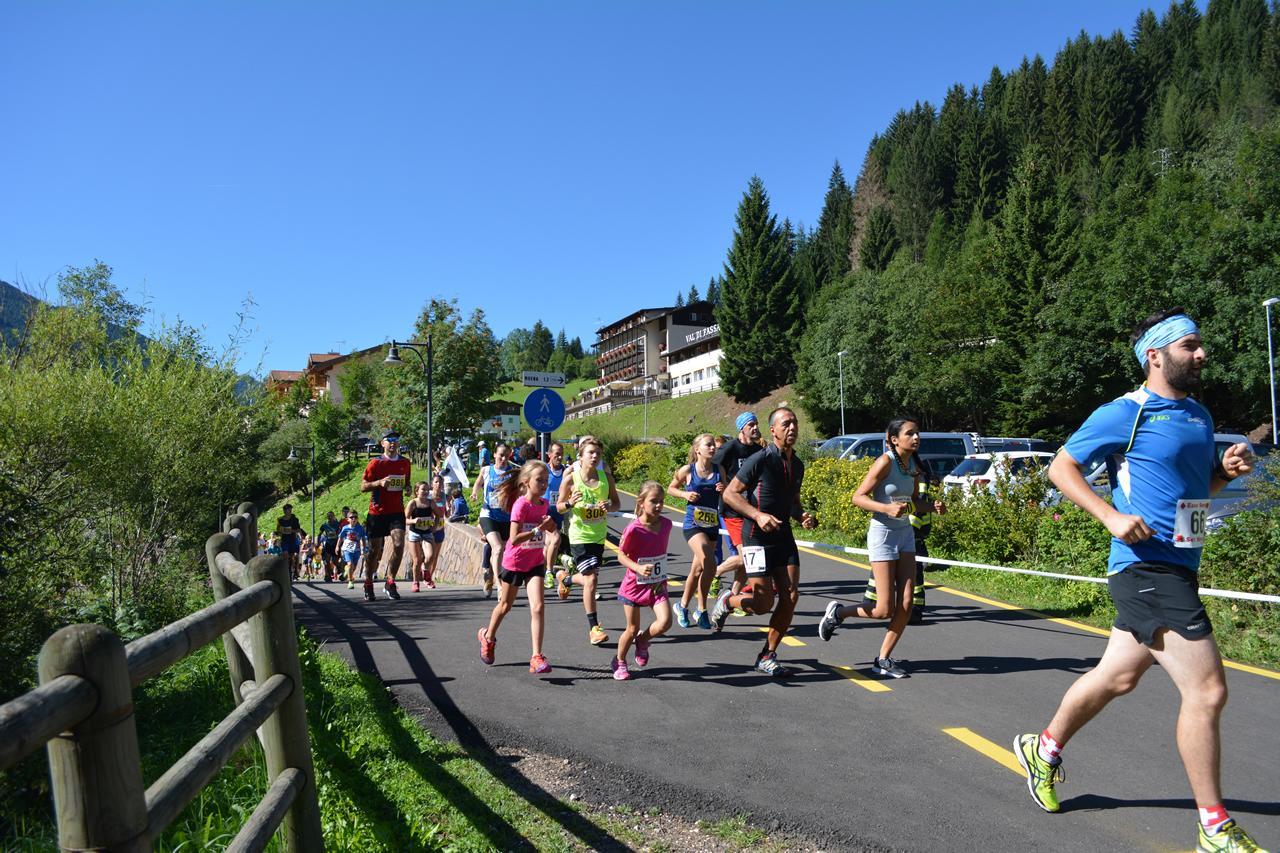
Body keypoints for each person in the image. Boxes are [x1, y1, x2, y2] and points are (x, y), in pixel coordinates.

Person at [1011, 309, 1263, 853]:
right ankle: (1214, 828)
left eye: (1201, 345)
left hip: (1178, 567)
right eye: (1190, 345)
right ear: (1156, 354)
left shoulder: (1198, 415)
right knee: (1208, 690)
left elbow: (1192, 497)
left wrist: (1225, 473)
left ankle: (1043, 747)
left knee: (1117, 677)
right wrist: (1111, 517)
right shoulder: (1126, 412)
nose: (1201, 354)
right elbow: (1061, 467)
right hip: (1143, 567)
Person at [816, 417, 945, 678]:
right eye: (910, 434)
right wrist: (886, 507)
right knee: (883, 609)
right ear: (894, 439)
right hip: (882, 534)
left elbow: (912, 502)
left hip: (905, 534)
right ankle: (838, 613)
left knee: (907, 603)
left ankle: (883, 659)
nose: (916, 438)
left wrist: (932, 507)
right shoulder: (885, 461)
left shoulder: (914, 466)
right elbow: (858, 497)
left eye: (917, 433)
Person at [712, 407, 818, 677]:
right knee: (762, 604)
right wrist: (757, 515)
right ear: (773, 430)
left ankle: (767, 654)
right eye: (786, 424)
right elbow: (731, 495)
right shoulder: (760, 459)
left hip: (783, 536)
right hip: (756, 537)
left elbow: (792, 502)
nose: (792, 427)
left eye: (794, 422)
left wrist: (802, 515)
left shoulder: (798, 465)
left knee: (791, 595)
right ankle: (728, 602)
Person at [478, 460, 556, 674]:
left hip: (534, 562)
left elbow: (549, 527)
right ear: (526, 482)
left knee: (538, 607)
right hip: (514, 562)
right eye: (539, 480)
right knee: (505, 606)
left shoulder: (543, 504)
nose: (543, 485)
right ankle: (488, 637)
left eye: (546, 481)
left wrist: (550, 526)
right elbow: (513, 539)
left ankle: (536, 656)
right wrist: (537, 531)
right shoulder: (521, 505)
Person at [555, 436, 621, 645]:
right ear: (580, 457)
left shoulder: (606, 478)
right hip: (579, 536)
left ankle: (566, 579)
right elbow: (558, 507)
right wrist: (569, 503)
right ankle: (594, 628)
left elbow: (617, 504)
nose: (594, 456)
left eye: (598, 454)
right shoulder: (571, 479)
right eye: (590, 453)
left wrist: (608, 506)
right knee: (591, 580)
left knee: (588, 581)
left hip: (598, 536)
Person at [612, 481, 674, 681]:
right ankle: (619, 661)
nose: (658, 505)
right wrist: (638, 567)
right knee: (630, 629)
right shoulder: (633, 529)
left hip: (657, 583)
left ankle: (643, 640)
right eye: (653, 501)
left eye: (661, 501)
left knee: (665, 622)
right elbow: (621, 555)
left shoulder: (667, 524)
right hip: (634, 586)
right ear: (641, 502)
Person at [667, 433, 721, 629]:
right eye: (709, 445)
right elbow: (670, 488)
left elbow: (730, 492)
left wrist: (723, 488)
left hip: (712, 525)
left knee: (698, 569)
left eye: (714, 445)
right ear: (698, 449)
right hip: (693, 525)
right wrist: (685, 494)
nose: (713, 448)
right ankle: (701, 609)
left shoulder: (718, 470)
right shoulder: (687, 470)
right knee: (710, 563)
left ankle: (682, 606)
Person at [710, 413, 764, 600]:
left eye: (756, 424)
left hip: (751, 510)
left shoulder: (758, 451)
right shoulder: (729, 448)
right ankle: (715, 573)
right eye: (751, 425)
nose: (755, 427)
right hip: (732, 509)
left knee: (747, 559)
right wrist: (721, 483)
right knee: (744, 557)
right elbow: (712, 466)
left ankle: (732, 598)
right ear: (742, 428)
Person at [360, 430, 412, 602]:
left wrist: (408, 489)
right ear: (382, 443)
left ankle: (390, 582)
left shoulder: (405, 463)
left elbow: (406, 483)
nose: (393, 443)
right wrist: (379, 483)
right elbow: (363, 486)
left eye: (396, 440)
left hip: (396, 511)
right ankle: (368, 582)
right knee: (373, 551)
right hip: (377, 512)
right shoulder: (375, 463)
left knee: (398, 544)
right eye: (389, 440)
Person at [472, 442, 517, 598]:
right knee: (497, 548)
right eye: (501, 455)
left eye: (506, 455)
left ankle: (489, 575)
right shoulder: (487, 470)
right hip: (488, 514)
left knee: (502, 551)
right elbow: (478, 482)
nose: (503, 458)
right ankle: (500, 586)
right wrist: (474, 492)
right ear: (495, 455)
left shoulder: (512, 473)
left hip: (505, 517)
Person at [542, 441, 570, 590]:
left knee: (549, 546)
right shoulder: (544, 470)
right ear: (549, 454)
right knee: (556, 539)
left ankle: (546, 571)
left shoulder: (566, 472)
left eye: (561, 453)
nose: (559, 456)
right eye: (556, 453)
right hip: (544, 514)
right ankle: (549, 572)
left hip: (559, 514)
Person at [405, 481, 441, 593]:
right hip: (414, 533)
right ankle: (416, 582)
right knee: (417, 559)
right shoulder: (413, 503)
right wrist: (413, 520)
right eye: (423, 490)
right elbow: (404, 519)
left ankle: (425, 570)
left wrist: (434, 526)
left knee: (430, 556)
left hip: (427, 532)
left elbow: (439, 515)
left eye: (427, 490)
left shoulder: (431, 503)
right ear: (417, 491)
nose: (425, 492)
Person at [274, 504, 306, 580]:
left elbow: (298, 530)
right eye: (287, 509)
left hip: (293, 540)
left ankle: (295, 571)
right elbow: (278, 530)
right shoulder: (280, 519)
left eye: (290, 509)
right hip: (285, 540)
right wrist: (279, 532)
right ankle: (288, 572)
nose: (289, 511)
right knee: (286, 556)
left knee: (294, 556)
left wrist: (290, 530)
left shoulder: (295, 519)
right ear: (284, 511)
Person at [337, 511, 368, 589]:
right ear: (348, 519)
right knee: (350, 564)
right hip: (347, 549)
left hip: (356, 550)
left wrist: (364, 548)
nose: (354, 518)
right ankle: (350, 581)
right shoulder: (345, 528)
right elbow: (340, 537)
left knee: (353, 567)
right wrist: (337, 546)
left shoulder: (360, 528)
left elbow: (363, 538)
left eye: (355, 517)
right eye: (351, 517)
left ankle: (347, 571)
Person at [318, 510, 343, 582]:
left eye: (331, 516)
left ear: (334, 516)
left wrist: (340, 544)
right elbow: (319, 534)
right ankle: (328, 576)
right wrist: (318, 543)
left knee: (335, 561)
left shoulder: (337, 524)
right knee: (327, 561)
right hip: (328, 544)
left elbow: (340, 534)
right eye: (328, 516)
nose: (330, 517)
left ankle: (340, 570)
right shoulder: (324, 525)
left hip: (335, 545)